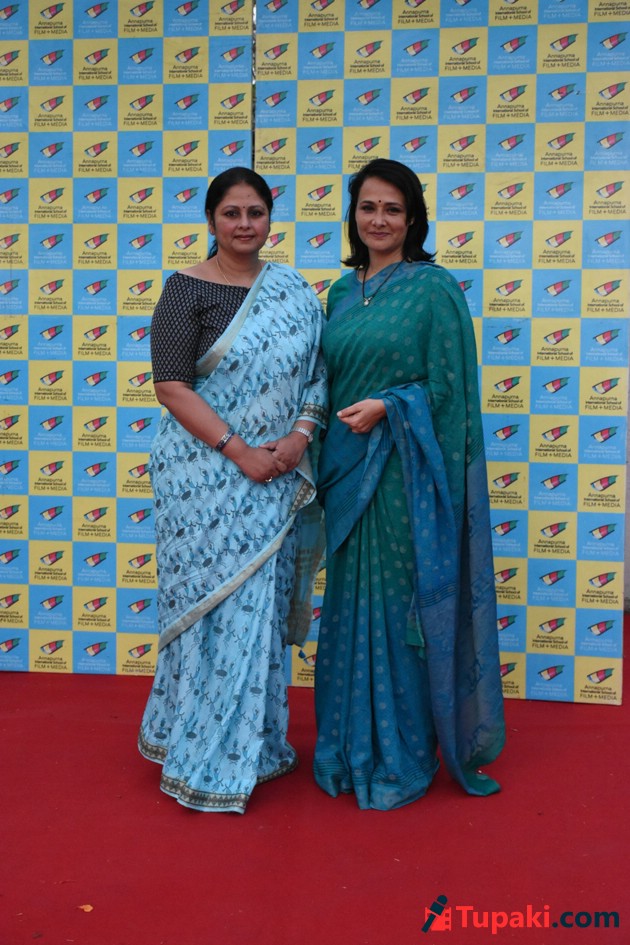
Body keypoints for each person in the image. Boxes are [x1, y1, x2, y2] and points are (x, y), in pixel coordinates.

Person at [313, 158, 505, 810]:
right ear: (354, 215)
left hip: (402, 478)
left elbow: (451, 390)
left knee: (396, 612)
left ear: (413, 218)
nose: (379, 220)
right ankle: (347, 748)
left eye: (392, 209)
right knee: (347, 609)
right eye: (368, 207)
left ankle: (400, 754)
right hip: (345, 475)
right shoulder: (340, 293)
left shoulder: (433, 288)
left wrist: (390, 406)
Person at [138, 167, 327, 813]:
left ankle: (258, 746)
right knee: (212, 609)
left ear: (270, 217)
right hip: (201, 480)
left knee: (259, 612)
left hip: (276, 473)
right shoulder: (186, 288)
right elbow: (170, 385)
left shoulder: (293, 290)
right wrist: (239, 450)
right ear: (211, 220)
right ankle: (198, 753)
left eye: (256, 212)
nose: (245, 224)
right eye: (232, 213)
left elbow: (318, 372)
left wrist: (299, 436)